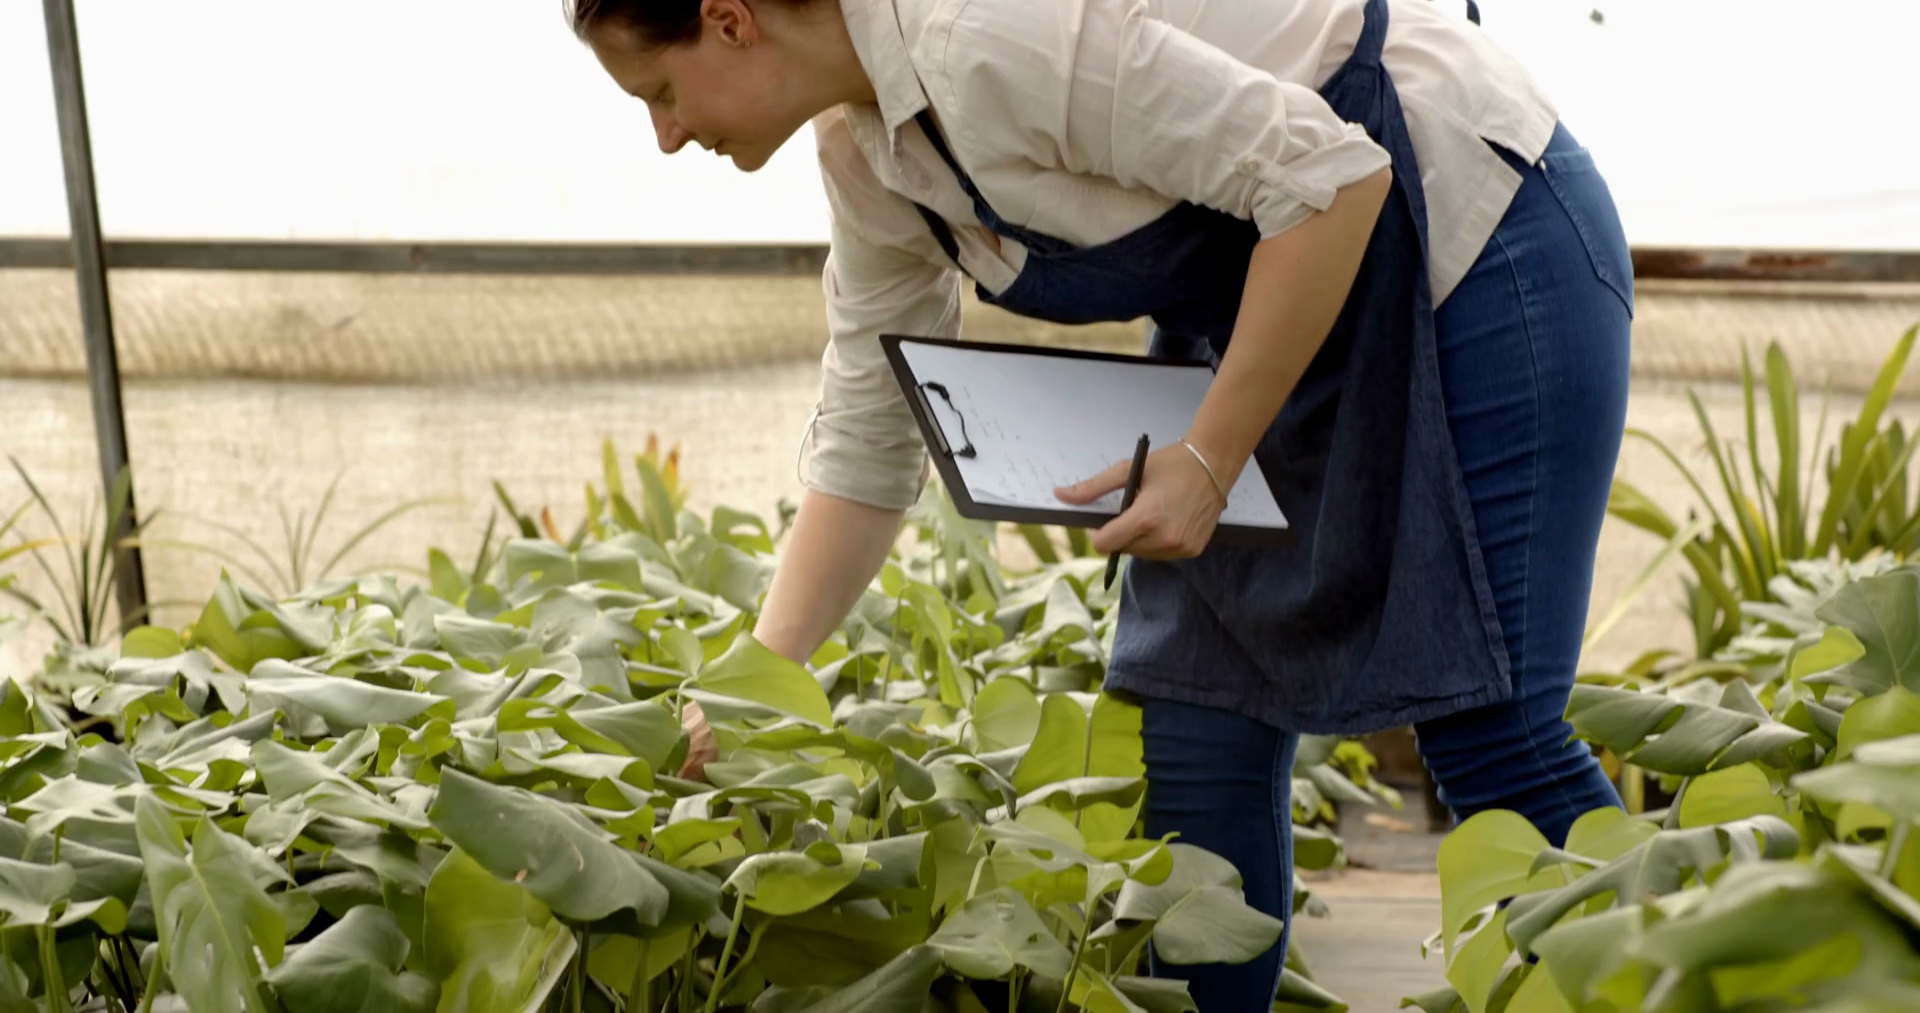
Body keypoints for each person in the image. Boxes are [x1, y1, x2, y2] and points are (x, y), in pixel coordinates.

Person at [565, 0, 1632, 1006]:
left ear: (731, 19)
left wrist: (1207, 457)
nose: (666, 135)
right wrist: (756, 683)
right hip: (1271, 302)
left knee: (1494, 734)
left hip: (1470, 242)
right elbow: (869, 434)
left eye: (659, 91)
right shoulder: (868, 151)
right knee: (1198, 724)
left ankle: (1688, 966)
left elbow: (1331, 177)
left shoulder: (979, 34)